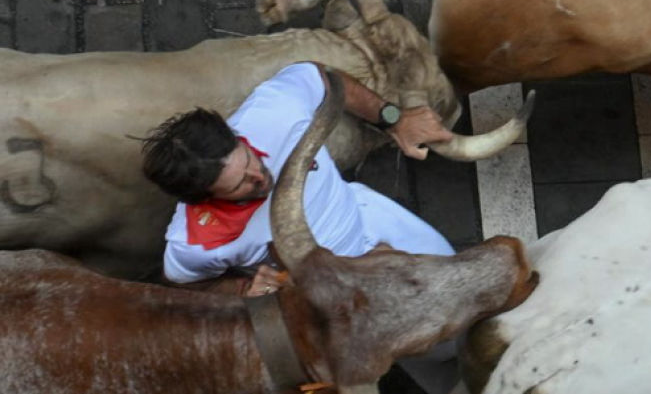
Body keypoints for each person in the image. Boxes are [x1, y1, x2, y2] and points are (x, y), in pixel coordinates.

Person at [140, 61, 456, 295]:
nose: (260, 177)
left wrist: (393, 120)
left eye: (249, 158)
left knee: (459, 288)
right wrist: (243, 287)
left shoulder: (275, 109)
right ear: (205, 198)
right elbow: (183, 283)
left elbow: (324, 77)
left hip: (368, 218)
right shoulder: (196, 243)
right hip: (323, 290)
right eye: (241, 185)